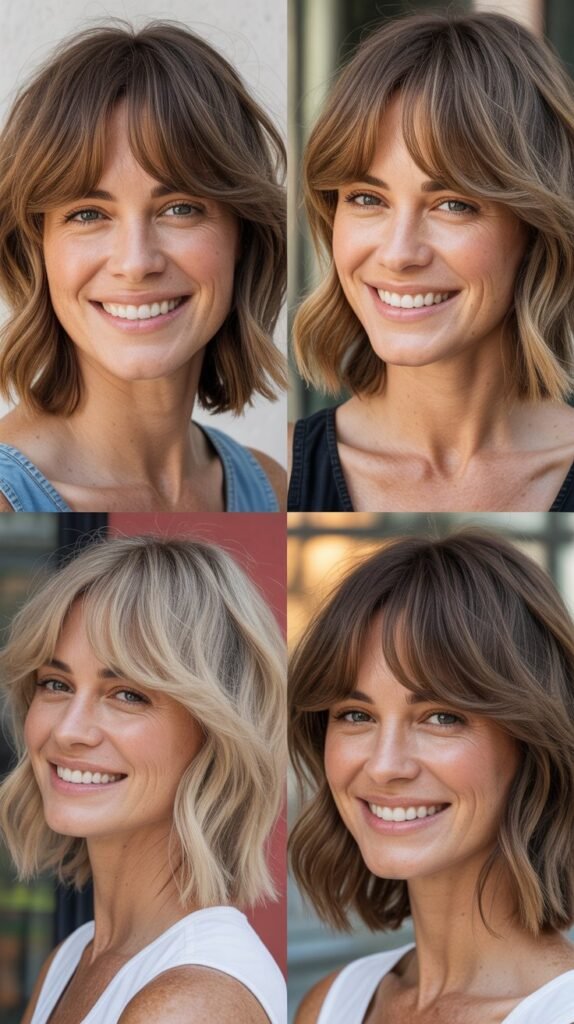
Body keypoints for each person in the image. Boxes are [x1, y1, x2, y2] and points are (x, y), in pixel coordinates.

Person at [288, 11, 574, 512]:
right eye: (367, 199)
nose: (399, 253)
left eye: (453, 205)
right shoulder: (275, 476)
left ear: (535, 228)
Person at [289, 529, 574, 1023]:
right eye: (357, 714)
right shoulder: (331, 1004)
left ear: (532, 743)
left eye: (442, 716)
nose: (384, 765)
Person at [0, 22, 286, 512]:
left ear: (243, 234)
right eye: (88, 214)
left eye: (180, 208)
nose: (136, 263)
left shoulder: (272, 487)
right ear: (37, 247)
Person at [0, 535, 286, 1023]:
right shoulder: (73, 958)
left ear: (215, 730)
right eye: (56, 684)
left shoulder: (189, 1003)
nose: (68, 730)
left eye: (127, 694)